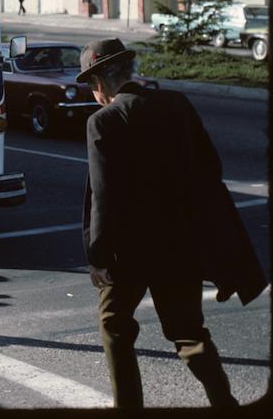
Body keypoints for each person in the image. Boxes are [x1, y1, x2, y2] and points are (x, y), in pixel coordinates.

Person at [77, 38, 267, 408]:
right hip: (181, 244)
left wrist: (98, 256)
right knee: (187, 332)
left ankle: (128, 407)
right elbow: (210, 168)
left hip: (127, 252)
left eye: (91, 84)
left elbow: (104, 196)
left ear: (100, 82)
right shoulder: (176, 104)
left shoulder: (103, 121)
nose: (93, 92)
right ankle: (224, 404)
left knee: (115, 326)